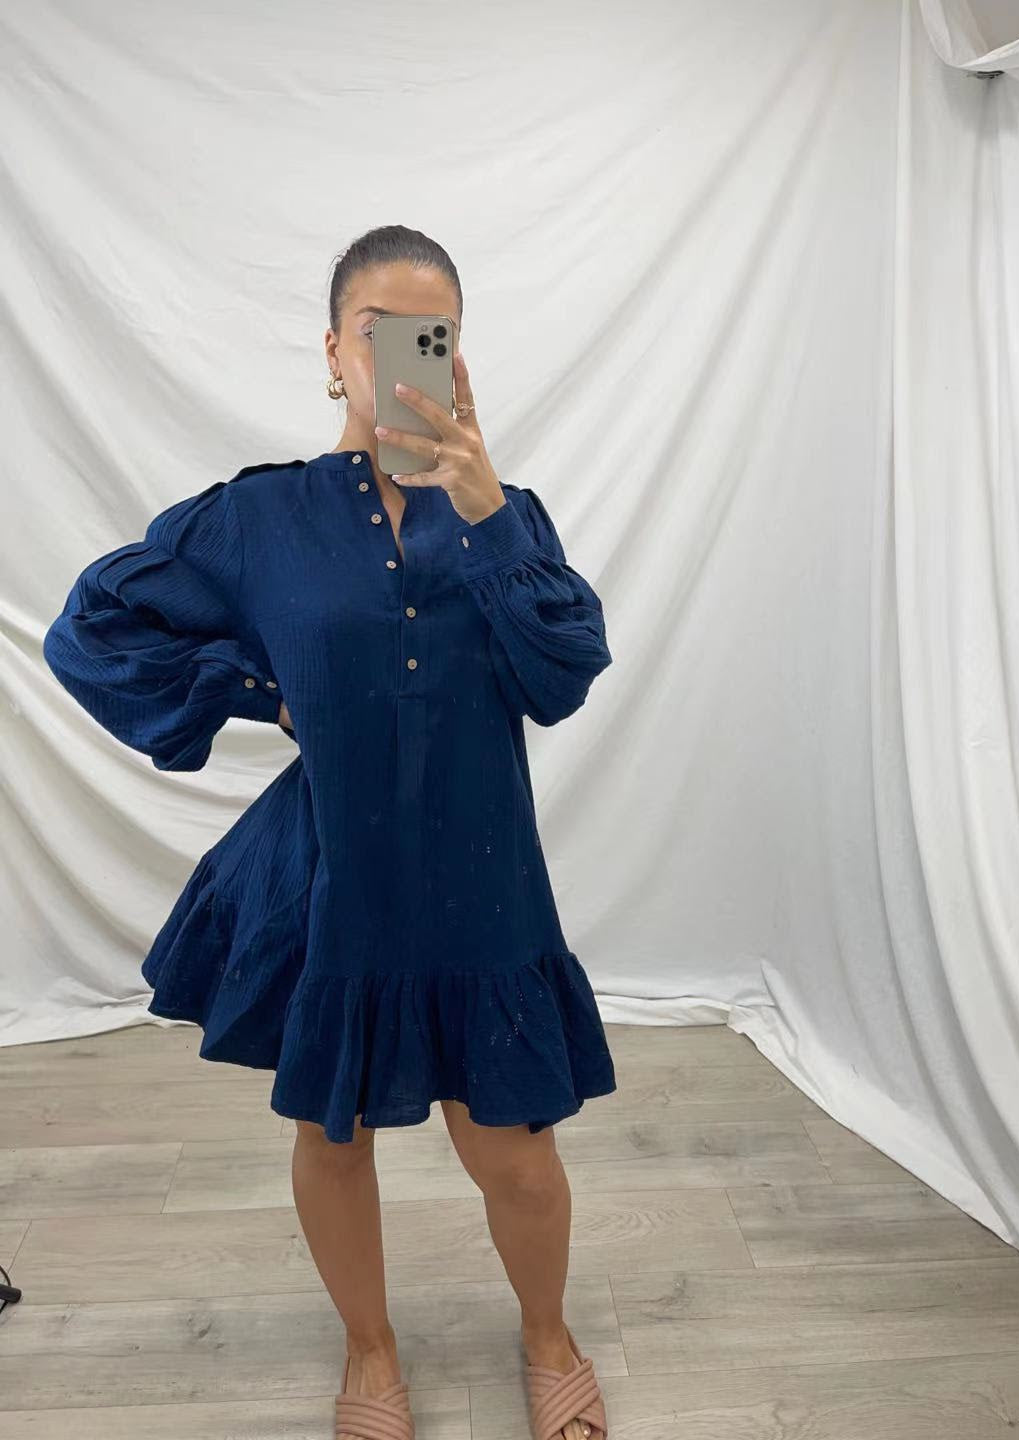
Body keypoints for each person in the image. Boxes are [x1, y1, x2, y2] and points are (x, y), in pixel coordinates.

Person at [42, 225, 615, 1440]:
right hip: (333, 870)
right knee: (333, 1132)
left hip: (484, 876)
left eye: (431, 333)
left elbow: (563, 675)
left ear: (457, 353)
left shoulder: (505, 513)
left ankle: (548, 1333)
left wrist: (483, 505)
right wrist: (261, 692)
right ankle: (370, 1349)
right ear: (334, 353)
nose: (404, 355)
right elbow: (92, 627)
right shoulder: (264, 519)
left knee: (515, 1154)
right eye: (379, 330)